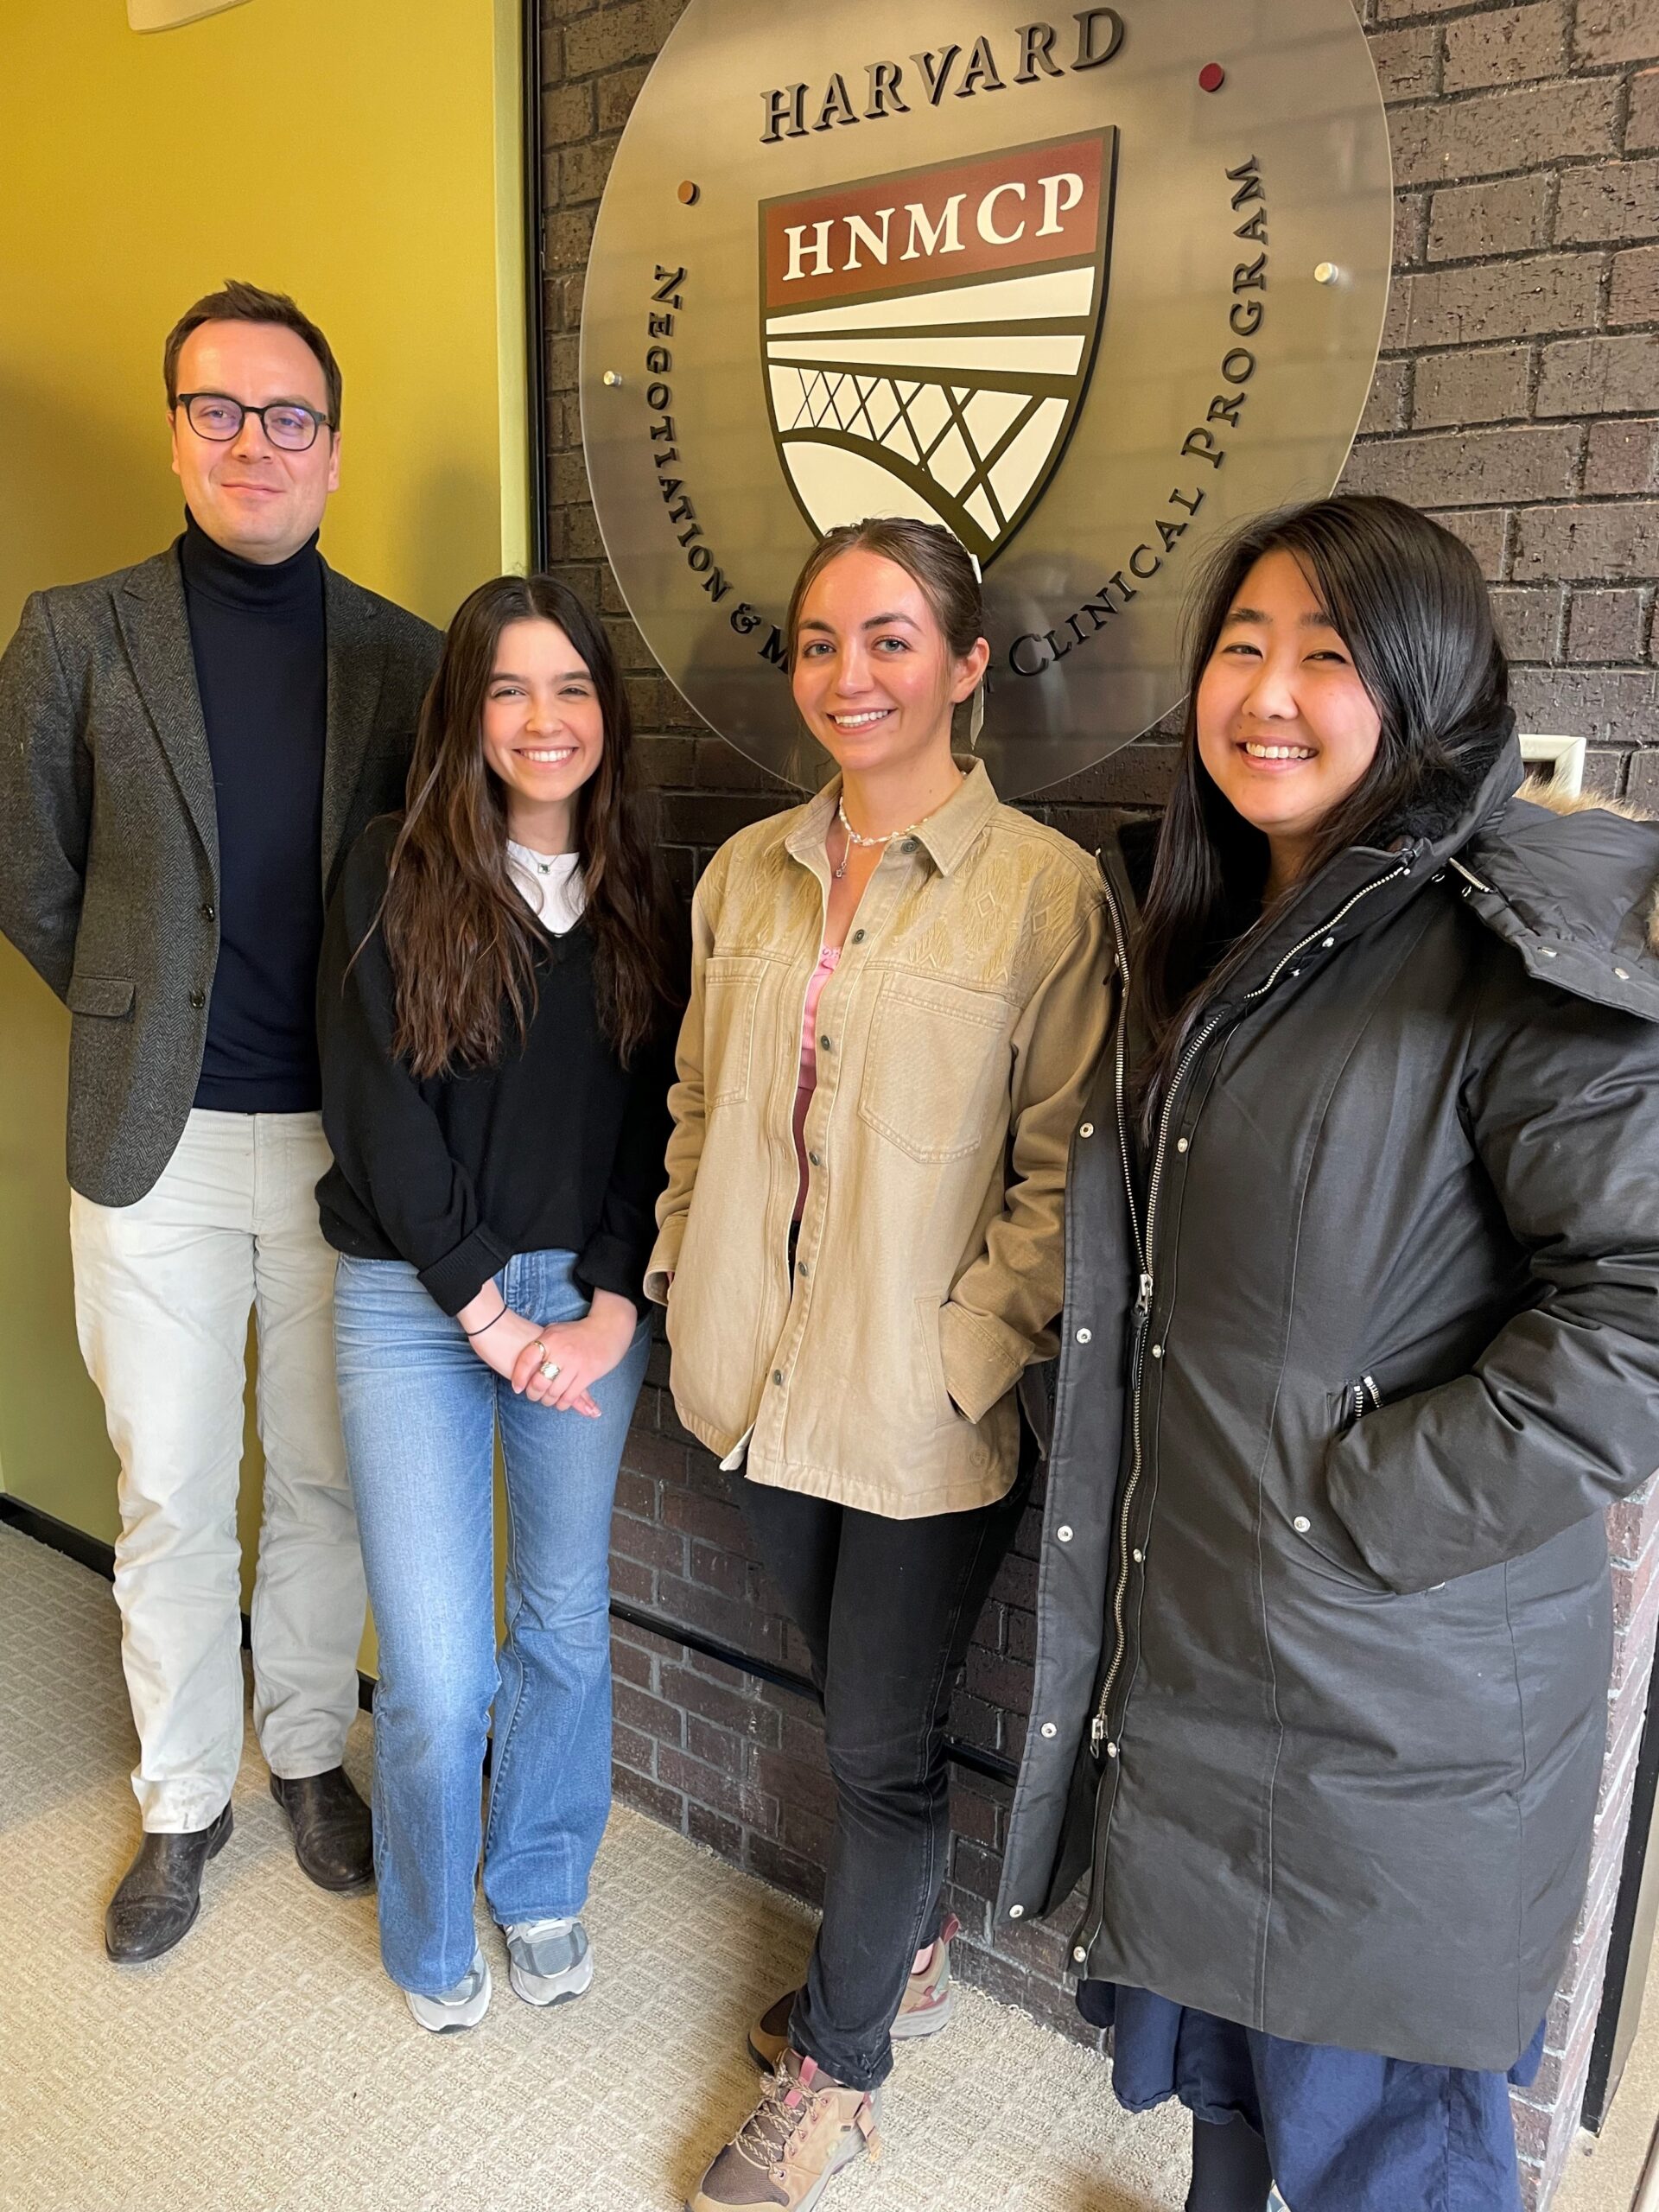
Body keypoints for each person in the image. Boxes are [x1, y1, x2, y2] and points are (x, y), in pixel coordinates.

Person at [995, 494, 1659, 2212]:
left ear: (1432, 688)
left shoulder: (1509, 938)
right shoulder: (1228, 929)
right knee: (1240, 2075)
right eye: (1241, 647)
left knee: (1380, 2143)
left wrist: (1358, 1504)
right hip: (1225, 1647)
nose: (1269, 693)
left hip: (1379, 1689)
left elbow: (1642, 1310)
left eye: (1329, 655)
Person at [652, 516, 1109, 2209]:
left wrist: (961, 1355)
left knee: (874, 1751)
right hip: (746, 1383)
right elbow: (701, 1107)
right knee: (856, 1715)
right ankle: (901, 1950)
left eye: (895, 638)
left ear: (969, 664)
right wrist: (677, 1270)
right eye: (824, 641)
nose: (854, 673)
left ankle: (838, 2072)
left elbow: (1067, 1174)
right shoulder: (744, 874)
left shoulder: (1048, 893)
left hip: (917, 1413)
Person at [0, 281, 441, 1962]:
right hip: (154, 1148)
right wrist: (129, 1000)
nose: (254, 441)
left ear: (333, 451)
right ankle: (185, 1796)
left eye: (289, 416)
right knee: (176, 1486)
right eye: (219, 409)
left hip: (346, 1146)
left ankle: (311, 1751)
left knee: (325, 1483)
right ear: (178, 428)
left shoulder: (404, 661)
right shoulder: (75, 634)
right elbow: (24, 862)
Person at [317, 574, 680, 2031]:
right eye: (511, 690)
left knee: (563, 1625)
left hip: (580, 1302)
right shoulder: (385, 868)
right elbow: (375, 1116)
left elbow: (664, 1120)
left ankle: (537, 1881)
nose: (545, 720)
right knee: (438, 1671)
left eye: (573, 689)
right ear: (465, 713)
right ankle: (426, 1932)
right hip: (418, 1298)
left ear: (607, 715)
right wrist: (485, 1310)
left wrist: (606, 1302)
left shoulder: (651, 889)